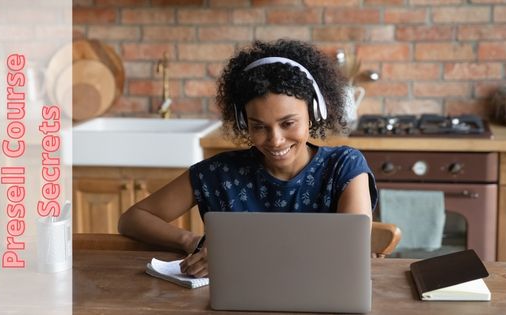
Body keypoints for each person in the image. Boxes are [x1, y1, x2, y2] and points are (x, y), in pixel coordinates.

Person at [118, 39, 378, 278]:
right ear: (243, 123)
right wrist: (194, 242)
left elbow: (350, 249)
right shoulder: (219, 173)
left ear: (314, 112)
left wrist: (240, 256)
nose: (275, 140)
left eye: (288, 123)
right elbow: (133, 218)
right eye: (259, 126)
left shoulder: (345, 167)